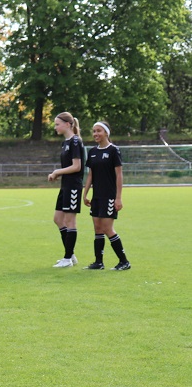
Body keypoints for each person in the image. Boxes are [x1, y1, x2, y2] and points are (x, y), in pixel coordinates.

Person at [83, 121, 130, 270]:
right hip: (97, 196)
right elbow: (90, 175)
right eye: (94, 131)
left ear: (106, 133)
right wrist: (85, 194)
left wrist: (118, 197)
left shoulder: (113, 150)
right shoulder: (92, 152)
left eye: (99, 131)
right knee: (97, 228)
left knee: (107, 228)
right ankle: (99, 262)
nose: (95, 134)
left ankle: (124, 261)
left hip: (109, 196)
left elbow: (119, 175)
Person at [48, 112, 85, 268]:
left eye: (57, 124)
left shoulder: (76, 141)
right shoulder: (65, 143)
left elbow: (77, 166)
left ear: (68, 124)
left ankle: (67, 258)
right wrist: (59, 174)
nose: (55, 127)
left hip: (73, 186)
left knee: (70, 221)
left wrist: (57, 172)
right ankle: (71, 255)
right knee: (58, 219)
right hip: (65, 186)